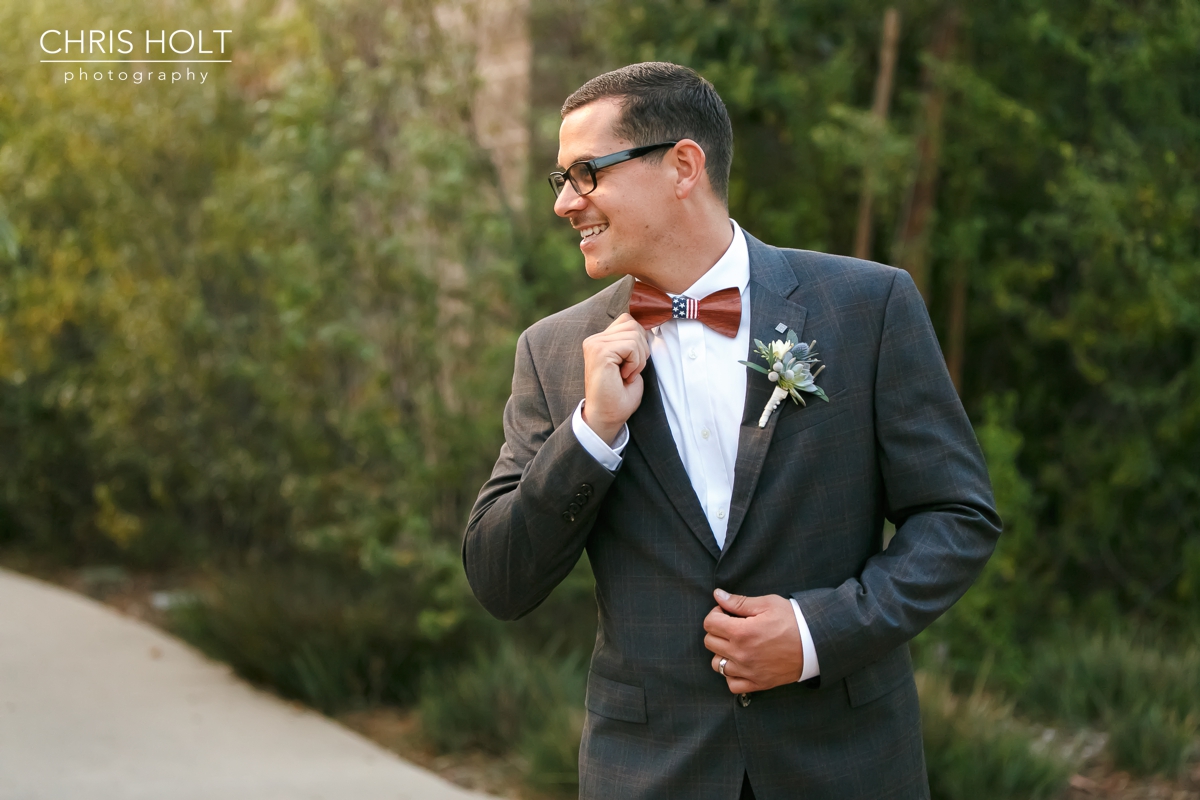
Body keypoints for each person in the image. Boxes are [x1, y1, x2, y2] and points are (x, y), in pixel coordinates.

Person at [462, 62, 1000, 800]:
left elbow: (957, 517)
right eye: (559, 179)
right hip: (651, 775)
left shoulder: (867, 307)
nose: (565, 202)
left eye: (585, 173)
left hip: (844, 767)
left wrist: (818, 634)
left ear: (683, 166)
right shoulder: (552, 353)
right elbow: (500, 579)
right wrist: (591, 433)